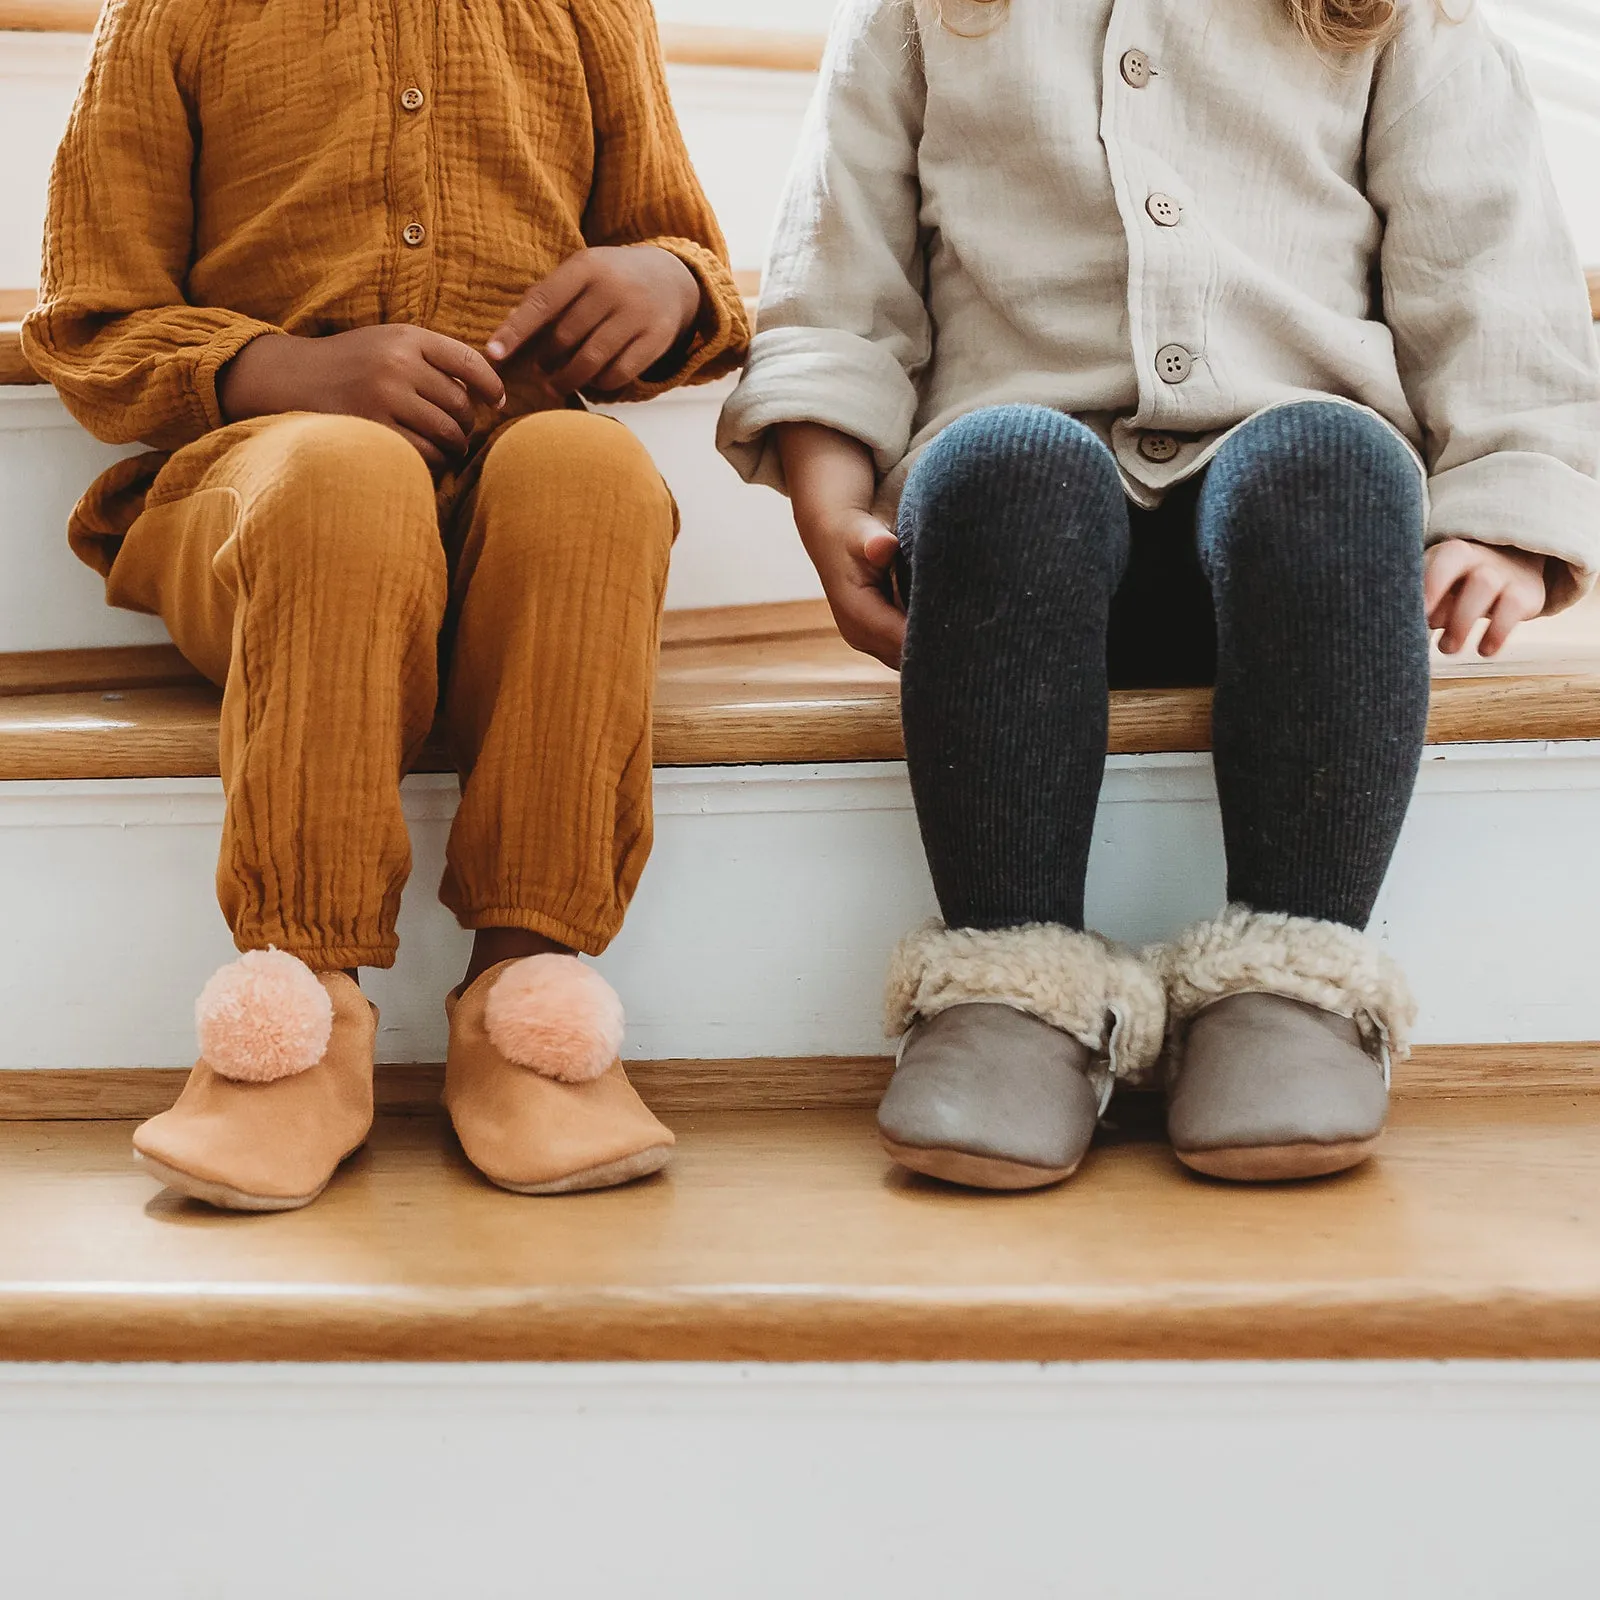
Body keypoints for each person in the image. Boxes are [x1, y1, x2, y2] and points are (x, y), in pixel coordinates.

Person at [719, 0, 1600, 1187]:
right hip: (1012, 569)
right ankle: (1005, 988)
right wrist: (831, 510)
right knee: (996, 460)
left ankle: (1293, 983)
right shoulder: (918, 18)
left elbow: (1496, 289)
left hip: (1294, 568)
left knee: (1333, 463)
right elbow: (840, 288)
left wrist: (1502, 525)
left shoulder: (1400, 24)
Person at [24, 0, 747, 1211]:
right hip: (272, 513)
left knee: (595, 471)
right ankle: (297, 1009)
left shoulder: (592, 13)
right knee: (344, 472)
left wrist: (667, 284)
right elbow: (90, 319)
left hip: (515, 527)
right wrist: (282, 371)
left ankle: (531, 1004)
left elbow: (688, 256)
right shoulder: (168, 17)